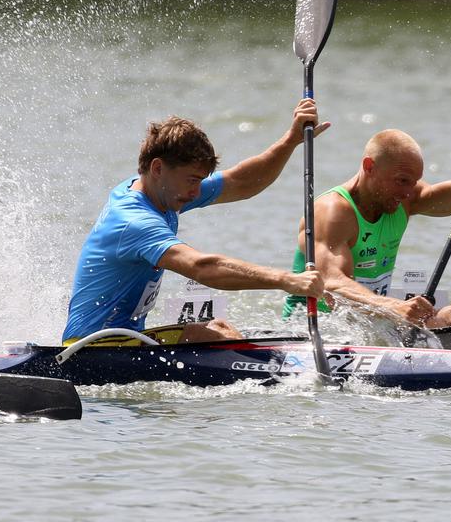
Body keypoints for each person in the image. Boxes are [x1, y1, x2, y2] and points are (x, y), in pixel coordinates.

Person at [62, 100, 327, 345]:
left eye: (200, 181)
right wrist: (286, 279)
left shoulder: (156, 190)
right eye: (192, 180)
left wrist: (291, 141)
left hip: (121, 338)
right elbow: (202, 267)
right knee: (218, 336)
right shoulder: (135, 222)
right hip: (94, 347)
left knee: (218, 328)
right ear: (157, 168)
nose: (197, 192)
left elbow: (241, 182)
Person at [284, 105, 451, 328]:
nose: (408, 192)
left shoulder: (403, 199)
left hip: (372, 320)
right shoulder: (332, 212)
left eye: (414, 182)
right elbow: (332, 282)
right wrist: (394, 306)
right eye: (401, 181)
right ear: (369, 167)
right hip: (317, 328)